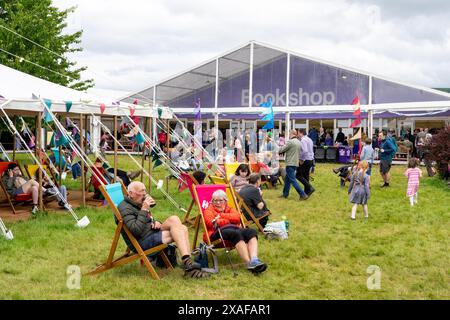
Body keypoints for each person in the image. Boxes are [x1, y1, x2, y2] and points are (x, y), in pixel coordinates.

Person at [118, 181, 209, 278]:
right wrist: (144, 209)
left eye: (145, 190)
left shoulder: (136, 202)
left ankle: (188, 263)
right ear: (131, 193)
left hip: (150, 231)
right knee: (181, 229)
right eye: (141, 191)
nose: (144, 193)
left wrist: (156, 222)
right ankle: (188, 264)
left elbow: (146, 219)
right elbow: (136, 230)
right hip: (143, 241)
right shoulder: (124, 208)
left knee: (175, 219)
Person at [203, 189, 267, 273]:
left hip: (233, 230)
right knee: (235, 233)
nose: (218, 203)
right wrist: (227, 221)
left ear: (225, 201)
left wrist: (221, 215)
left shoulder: (229, 208)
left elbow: (237, 217)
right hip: (215, 234)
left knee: (251, 232)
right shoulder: (209, 210)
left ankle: (254, 259)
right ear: (212, 201)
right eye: (215, 200)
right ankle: (249, 263)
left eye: (220, 200)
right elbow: (210, 223)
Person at [278, 130, 308, 200]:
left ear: (291, 134)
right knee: (288, 180)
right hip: (295, 163)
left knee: (293, 180)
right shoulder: (299, 142)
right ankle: (285, 194)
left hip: (290, 163)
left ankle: (303, 194)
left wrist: (276, 147)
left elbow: (281, 150)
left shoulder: (290, 142)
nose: (288, 135)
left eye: (289, 133)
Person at [296, 129, 315, 196]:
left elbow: (305, 151)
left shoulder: (303, 140)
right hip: (310, 159)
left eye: (298, 133)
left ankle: (310, 187)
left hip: (305, 160)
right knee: (305, 175)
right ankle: (307, 191)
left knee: (298, 175)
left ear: (301, 133)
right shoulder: (309, 139)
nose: (297, 134)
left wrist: (301, 159)